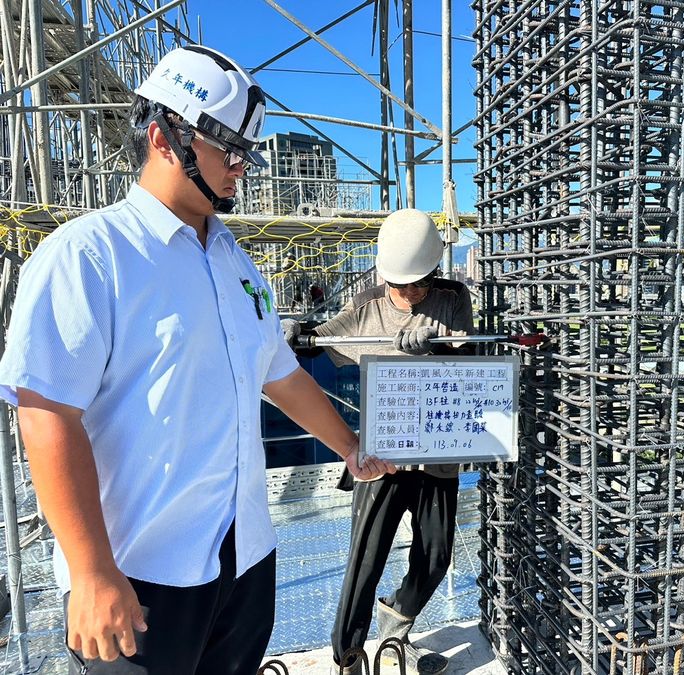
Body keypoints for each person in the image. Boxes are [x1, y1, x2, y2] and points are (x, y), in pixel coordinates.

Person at [0, 45, 393, 675]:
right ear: (164, 138)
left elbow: (280, 374)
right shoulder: (89, 256)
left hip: (244, 560)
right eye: (228, 151)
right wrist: (91, 570)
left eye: (246, 153)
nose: (242, 168)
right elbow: (46, 412)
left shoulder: (234, 260)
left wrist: (350, 447)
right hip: (139, 574)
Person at [283, 208, 475, 675]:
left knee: (436, 556)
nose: (410, 293)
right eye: (401, 284)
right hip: (381, 454)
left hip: (437, 449)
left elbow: (470, 355)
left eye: (420, 283)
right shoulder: (367, 306)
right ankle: (347, 657)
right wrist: (292, 334)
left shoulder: (452, 298)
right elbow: (318, 339)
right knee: (365, 562)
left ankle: (396, 626)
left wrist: (439, 346)